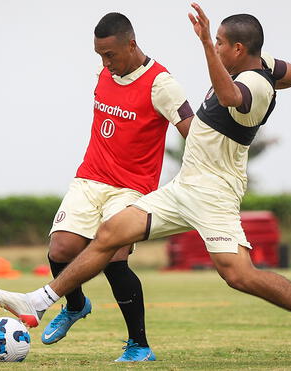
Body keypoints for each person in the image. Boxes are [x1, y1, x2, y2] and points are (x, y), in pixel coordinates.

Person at [0, 3, 291, 365]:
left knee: (240, 276)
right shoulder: (258, 68)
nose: (214, 46)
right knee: (110, 233)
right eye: (213, 42)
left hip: (214, 193)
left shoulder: (255, 85)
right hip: (185, 187)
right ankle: (40, 300)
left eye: (219, 43)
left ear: (237, 48)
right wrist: (268, 62)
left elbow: (233, 97)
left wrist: (204, 46)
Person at [38, 12, 195, 362]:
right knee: (60, 249)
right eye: (99, 55)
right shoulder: (104, 73)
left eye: (110, 54)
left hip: (131, 188)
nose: (105, 63)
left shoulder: (162, 84)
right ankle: (76, 306)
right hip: (89, 177)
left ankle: (139, 345)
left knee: (115, 257)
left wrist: (199, 175)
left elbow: (194, 134)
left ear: (131, 44)